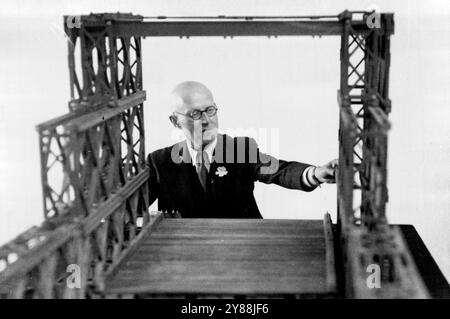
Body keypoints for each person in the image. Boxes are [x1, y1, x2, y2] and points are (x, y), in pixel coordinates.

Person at [146, 81, 337, 218]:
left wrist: (315, 173)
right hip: (184, 261)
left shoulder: (240, 150)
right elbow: (129, 208)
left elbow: (279, 171)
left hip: (245, 250)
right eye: (194, 114)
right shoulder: (160, 162)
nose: (205, 120)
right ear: (175, 121)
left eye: (210, 110)